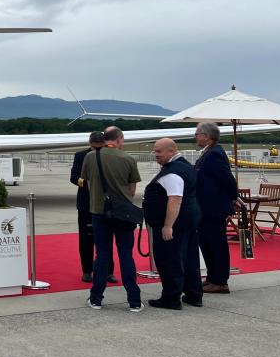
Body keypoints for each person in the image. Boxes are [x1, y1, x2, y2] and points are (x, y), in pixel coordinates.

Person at [81, 126, 143, 312]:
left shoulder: (90, 157)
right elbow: (132, 190)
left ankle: (96, 299)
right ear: (119, 139)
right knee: (126, 255)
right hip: (123, 214)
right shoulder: (128, 159)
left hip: (99, 212)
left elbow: (89, 183)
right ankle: (134, 301)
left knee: (102, 255)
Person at [143, 138, 203, 310]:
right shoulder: (185, 166)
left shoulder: (173, 172)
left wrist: (168, 225)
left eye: (158, 151)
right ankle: (193, 294)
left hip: (176, 222)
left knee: (170, 259)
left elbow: (175, 200)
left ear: (171, 151)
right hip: (189, 219)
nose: (156, 155)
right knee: (190, 258)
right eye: (155, 151)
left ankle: (171, 298)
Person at [194, 122, 237, 294]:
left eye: (197, 133)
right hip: (206, 208)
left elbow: (227, 179)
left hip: (213, 209)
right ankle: (212, 277)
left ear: (207, 136)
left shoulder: (214, 154)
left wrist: (234, 198)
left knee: (216, 244)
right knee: (206, 243)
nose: (195, 136)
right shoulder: (209, 152)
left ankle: (220, 281)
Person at [70, 131, 116, 283]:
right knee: (86, 238)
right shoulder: (80, 156)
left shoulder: (110, 155)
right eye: (95, 148)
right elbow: (74, 177)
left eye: (100, 148)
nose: (97, 151)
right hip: (86, 203)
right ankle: (87, 270)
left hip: (105, 204)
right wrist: (87, 183)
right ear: (90, 144)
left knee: (106, 239)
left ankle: (108, 271)